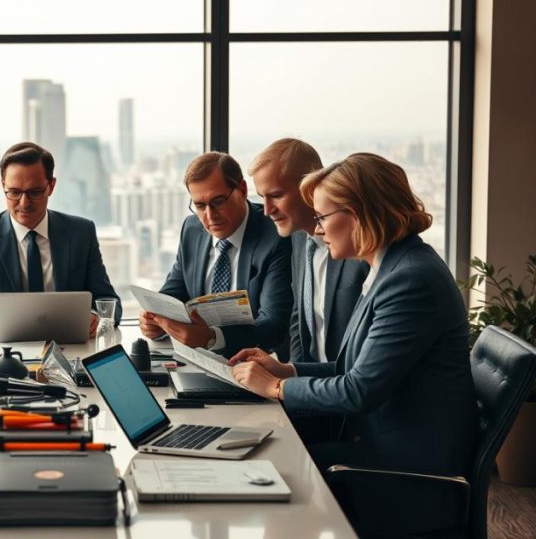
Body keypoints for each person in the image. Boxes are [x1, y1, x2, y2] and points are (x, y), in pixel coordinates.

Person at [229, 153, 477, 479]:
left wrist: (276, 387)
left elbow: (358, 390)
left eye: (322, 217)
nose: (318, 229)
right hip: (381, 439)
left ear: (357, 215)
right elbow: (355, 368)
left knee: (268, 462)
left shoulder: (410, 279)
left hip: (410, 465)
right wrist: (287, 370)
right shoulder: (391, 266)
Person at [0, 142, 122, 338]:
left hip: (71, 348)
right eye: (14, 192)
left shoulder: (81, 233)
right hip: (5, 351)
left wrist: (96, 317)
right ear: (3, 185)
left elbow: (109, 301)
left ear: (51, 186)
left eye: (35, 192)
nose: (24, 203)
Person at [140, 151, 292, 357]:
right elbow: (174, 292)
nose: (210, 216)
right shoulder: (192, 229)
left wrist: (212, 338)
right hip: (199, 359)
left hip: (256, 363)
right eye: (200, 206)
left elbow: (273, 326)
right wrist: (155, 320)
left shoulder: (275, 236)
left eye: (218, 201)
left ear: (242, 190)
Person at [249, 138, 368, 364]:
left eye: (276, 195)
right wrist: (291, 375)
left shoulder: (357, 248)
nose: (267, 210)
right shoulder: (298, 238)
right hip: (313, 381)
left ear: (311, 187)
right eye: (262, 197)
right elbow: (298, 318)